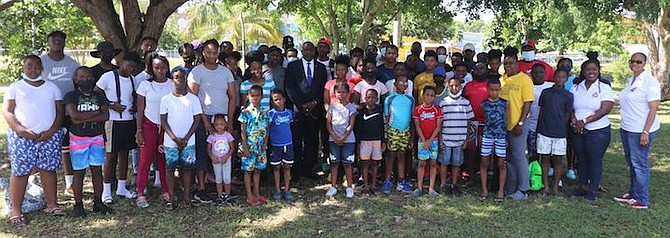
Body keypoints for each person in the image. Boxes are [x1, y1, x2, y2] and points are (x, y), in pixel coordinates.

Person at [4, 55, 66, 224]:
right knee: (20, 171)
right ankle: (16, 210)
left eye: (37, 67)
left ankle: (52, 204)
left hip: (49, 136)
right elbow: (8, 111)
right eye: (29, 66)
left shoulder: (52, 88)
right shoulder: (15, 87)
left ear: (42, 69)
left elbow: (60, 112)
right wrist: (20, 130)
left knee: (48, 169)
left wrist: (52, 131)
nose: (33, 70)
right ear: (23, 68)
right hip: (22, 137)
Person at [188, 39, 237, 203]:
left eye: (215, 52)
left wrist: (229, 121)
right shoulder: (197, 72)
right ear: (203, 52)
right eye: (208, 52)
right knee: (203, 150)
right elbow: (193, 99)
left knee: (224, 150)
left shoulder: (225, 72)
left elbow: (232, 97)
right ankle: (202, 187)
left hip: (222, 118)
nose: (211, 55)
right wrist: (205, 121)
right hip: (204, 117)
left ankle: (225, 186)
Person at [95, 52, 143, 204]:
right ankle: (106, 191)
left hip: (128, 121)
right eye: (129, 66)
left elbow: (134, 97)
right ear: (122, 63)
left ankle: (122, 187)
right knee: (111, 156)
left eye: (134, 68)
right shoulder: (108, 76)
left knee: (124, 155)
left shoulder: (133, 79)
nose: (130, 70)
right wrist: (111, 105)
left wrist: (135, 107)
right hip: (113, 121)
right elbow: (97, 93)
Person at [614, 52, 661, 209]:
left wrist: (645, 132)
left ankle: (642, 199)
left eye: (638, 62)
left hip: (640, 130)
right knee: (632, 162)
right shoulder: (631, 80)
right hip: (627, 127)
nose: (634, 64)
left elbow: (653, 108)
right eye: (632, 61)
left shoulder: (650, 81)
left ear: (644, 63)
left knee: (639, 164)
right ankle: (633, 193)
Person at [64, 66, 111, 217]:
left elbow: (106, 116)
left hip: (97, 137)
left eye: (88, 76)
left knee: (97, 171)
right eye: (82, 77)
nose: (86, 79)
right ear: (76, 80)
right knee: (79, 172)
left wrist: (85, 116)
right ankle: (78, 205)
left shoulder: (99, 96)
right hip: (78, 138)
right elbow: (74, 117)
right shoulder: (71, 96)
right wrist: (96, 112)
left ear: (93, 78)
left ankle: (98, 202)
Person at [40, 31, 81, 197]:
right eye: (54, 39)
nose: (57, 42)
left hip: (66, 112)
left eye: (60, 39)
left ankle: (69, 183)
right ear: (48, 42)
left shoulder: (72, 64)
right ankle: (38, 184)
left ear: (64, 42)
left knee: (66, 148)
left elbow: (78, 86)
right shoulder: (40, 62)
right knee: (42, 147)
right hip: (44, 112)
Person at [569, 60, 613, 201]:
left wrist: (585, 122)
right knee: (581, 158)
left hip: (598, 131)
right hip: (577, 130)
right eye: (588, 70)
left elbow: (605, 109)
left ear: (599, 70)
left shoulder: (604, 87)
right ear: (583, 72)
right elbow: (570, 107)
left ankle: (593, 188)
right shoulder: (576, 87)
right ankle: (583, 186)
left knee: (594, 159)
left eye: (594, 69)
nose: (591, 72)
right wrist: (574, 120)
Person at [134, 56, 174, 208]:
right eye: (156, 67)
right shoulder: (145, 85)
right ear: (152, 68)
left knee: (164, 159)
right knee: (145, 159)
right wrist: (139, 130)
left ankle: (165, 190)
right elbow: (140, 109)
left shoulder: (172, 84)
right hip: (148, 125)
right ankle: (140, 192)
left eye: (162, 67)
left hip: (166, 127)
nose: (160, 71)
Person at [160, 68, 202, 208]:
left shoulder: (193, 99)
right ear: (172, 80)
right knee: (170, 168)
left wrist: (186, 138)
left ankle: (186, 196)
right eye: (177, 77)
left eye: (183, 78)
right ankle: (171, 198)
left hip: (188, 141)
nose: (180, 80)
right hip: (171, 141)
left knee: (187, 168)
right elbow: (164, 121)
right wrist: (174, 138)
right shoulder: (166, 99)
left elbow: (197, 120)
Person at [285, 41, 328, 179]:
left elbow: (323, 88)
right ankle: (296, 170)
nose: (309, 52)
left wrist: (314, 103)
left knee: (312, 140)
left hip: (315, 110)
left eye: (311, 50)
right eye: (306, 50)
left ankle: (309, 169)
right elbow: (289, 87)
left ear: (314, 52)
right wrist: (301, 104)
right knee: (297, 139)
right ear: (302, 51)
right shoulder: (293, 66)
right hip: (298, 109)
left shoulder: (321, 68)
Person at [499, 52, 534, 201]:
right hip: (503, 126)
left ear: (517, 63)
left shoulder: (525, 79)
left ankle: (523, 188)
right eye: (506, 63)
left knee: (519, 156)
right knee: (509, 157)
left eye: (511, 63)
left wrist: (520, 122)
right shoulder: (502, 80)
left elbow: (528, 103)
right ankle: (511, 187)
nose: (508, 66)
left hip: (517, 124)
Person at [536, 70, 573, 197]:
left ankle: (556, 187)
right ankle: (545, 186)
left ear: (566, 79)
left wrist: (564, 130)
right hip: (544, 131)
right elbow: (541, 111)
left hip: (559, 133)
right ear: (553, 78)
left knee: (558, 160)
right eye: (557, 77)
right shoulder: (546, 93)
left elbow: (567, 115)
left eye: (563, 77)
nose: (559, 79)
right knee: (544, 158)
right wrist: (539, 129)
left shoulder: (568, 96)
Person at [438, 78, 474, 196]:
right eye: (452, 86)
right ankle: (443, 185)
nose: (454, 88)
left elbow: (469, 122)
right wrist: (440, 138)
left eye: (457, 86)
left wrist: (466, 138)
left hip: (460, 139)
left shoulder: (465, 103)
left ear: (461, 87)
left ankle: (454, 185)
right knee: (444, 162)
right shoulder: (443, 102)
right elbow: (439, 123)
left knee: (456, 163)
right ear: (448, 87)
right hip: (446, 139)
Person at [382, 76, 415, 194]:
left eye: (406, 82)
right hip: (392, 130)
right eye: (401, 82)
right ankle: (387, 181)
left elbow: (412, 119)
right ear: (395, 84)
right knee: (391, 156)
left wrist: (411, 136)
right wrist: (387, 136)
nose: (403, 84)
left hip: (405, 131)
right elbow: (386, 118)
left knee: (402, 155)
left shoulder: (410, 99)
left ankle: (401, 182)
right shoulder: (389, 99)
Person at [325, 82, 357, 198]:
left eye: (344, 92)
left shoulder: (351, 107)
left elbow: (351, 124)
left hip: (348, 140)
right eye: (339, 92)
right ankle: (333, 186)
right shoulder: (332, 107)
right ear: (335, 93)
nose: (341, 95)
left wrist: (343, 137)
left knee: (347, 163)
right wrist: (334, 136)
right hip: (333, 139)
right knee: (334, 163)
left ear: (348, 93)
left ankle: (349, 186)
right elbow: (328, 123)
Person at [239, 85, 270, 205]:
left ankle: (257, 193)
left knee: (258, 170)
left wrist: (265, 143)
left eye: (257, 95)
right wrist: (245, 147)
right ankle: (249, 195)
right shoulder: (245, 112)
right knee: (248, 171)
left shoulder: (265, 112)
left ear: (261, 97)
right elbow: (242, 131)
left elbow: (268, 128)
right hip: (249, 146)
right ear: (248, 97)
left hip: (261, 146)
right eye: (252, 96)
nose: (255, 98)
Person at [479, 78, 507, 203]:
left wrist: (507, 137)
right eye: (492, 90)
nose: (494, 92)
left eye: (497, 90)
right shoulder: (483, 104)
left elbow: (506, 120)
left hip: (501, 136)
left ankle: (501, 190)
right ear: (488, 90)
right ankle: (484, 189)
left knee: (501, 163)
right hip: (487, 135)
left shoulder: (505, 103)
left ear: (500, 89)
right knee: (485, 162)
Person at [411, 86, 442, 197]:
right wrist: (424, 140)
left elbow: (438, 127)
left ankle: (431, 188)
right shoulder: (418, 110)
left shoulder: (437, 110)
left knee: (433, 163)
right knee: (422, 163)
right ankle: (419, 188)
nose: (429, 97)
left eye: (432, 95)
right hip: (422, 140)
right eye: (427, 95)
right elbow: (417, 126)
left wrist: (430, 140)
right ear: (423, 95)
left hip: (433, 141)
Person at [268, 90, 296, 201]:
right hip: (276, 145)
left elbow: (291, 127)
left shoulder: (289, 113)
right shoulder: (271, 114)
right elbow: (269, 129)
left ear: (284, 99)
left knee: (287, 167)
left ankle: (287, 189)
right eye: (275, 99)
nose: (278, 101)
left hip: (288, 144)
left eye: (280, 99)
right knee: (276, 167)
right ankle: (277, 189)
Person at [356, 89, 385, 195]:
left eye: (373, 97)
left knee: (375, 162)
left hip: (377, 140)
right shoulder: (362, 112)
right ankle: (366, 185)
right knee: (365, 163)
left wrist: (383, 141)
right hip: (365, 141)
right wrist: (358, 143)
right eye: (368, 97)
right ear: (365, 98)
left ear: (377, 99)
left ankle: (373, 185)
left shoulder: (379, 111)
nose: (371, 99)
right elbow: (358, 129)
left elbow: (382, 127)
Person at [527, 64, 554, 163]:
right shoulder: (527, 86)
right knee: (533, 153)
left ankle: (545, 171)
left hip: (546, 125)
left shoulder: (551, 86)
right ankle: (533, 173)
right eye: (535, 72)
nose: (538, 75)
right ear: (531, 74)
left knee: (546, 152)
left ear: (545, 73)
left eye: (541, 72)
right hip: (530, 125)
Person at [206, 114, 236, 205]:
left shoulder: (228, 135)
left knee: (227, 178)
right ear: (213, 125)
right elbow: (208, 148)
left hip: (226, 160)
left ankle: (227, 195)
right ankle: (220, 195)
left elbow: (232, 148)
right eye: (217, 124)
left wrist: (226, 157)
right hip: (216, 160)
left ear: (225, 124)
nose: (219, 126)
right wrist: (212, 157)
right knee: (218, 178)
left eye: (221, 124)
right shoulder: (212, 136)